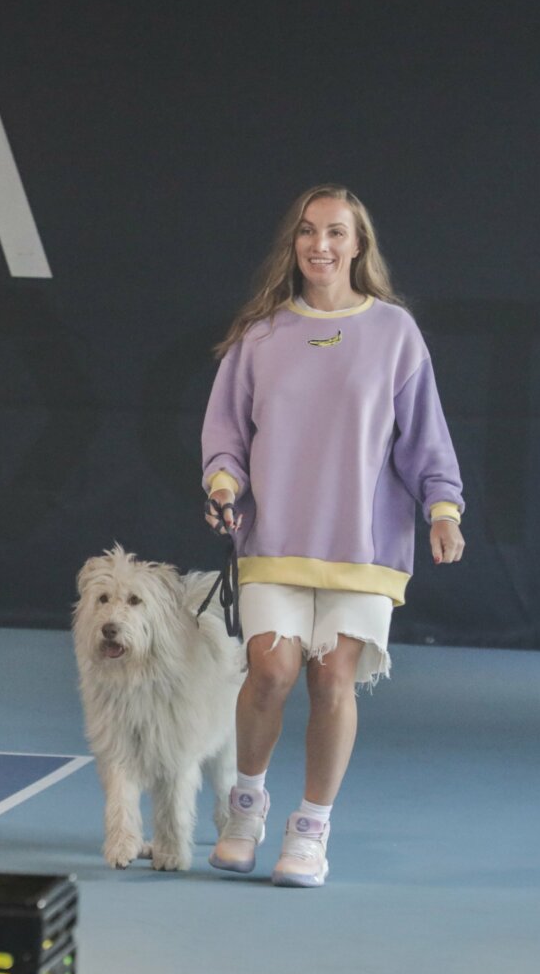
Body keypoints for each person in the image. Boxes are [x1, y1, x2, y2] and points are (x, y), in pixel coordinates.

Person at [198, 184, 465, 888]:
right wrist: (223, 485)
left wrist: (443, 508)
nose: (321, 244)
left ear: (358, 245)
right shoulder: (260, 335)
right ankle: (245, 809)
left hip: (364, 550)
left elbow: (425, 437)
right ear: (294, 244)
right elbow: (226, 435)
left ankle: (310, 830)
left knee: (333, 679)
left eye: (336, 232)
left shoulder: (395, 333)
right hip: (274, 539)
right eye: (308, 231)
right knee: (271, 673)